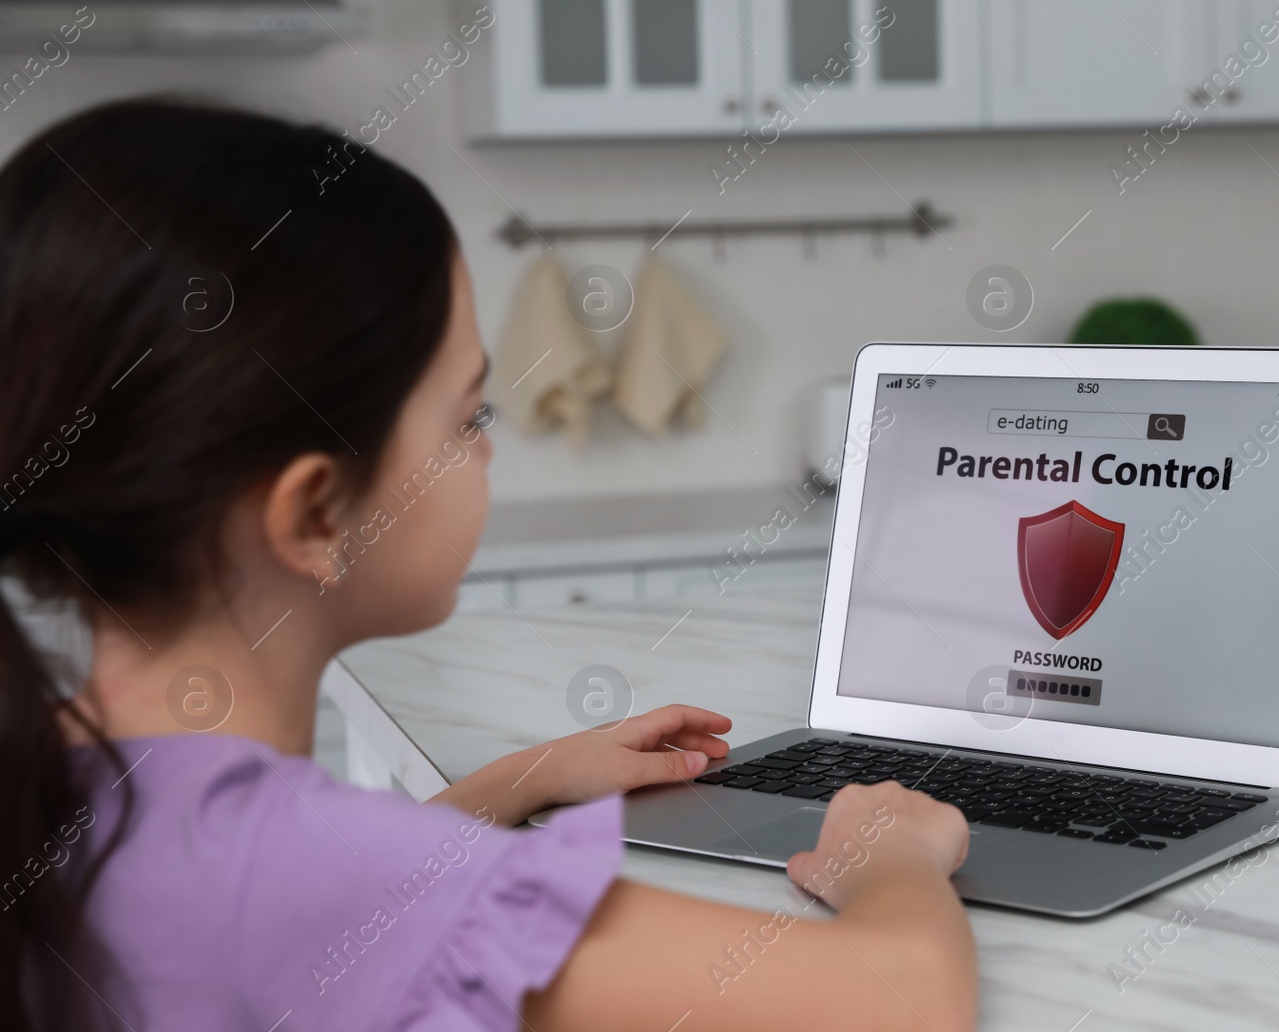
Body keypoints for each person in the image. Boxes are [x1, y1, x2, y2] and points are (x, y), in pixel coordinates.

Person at [0, 98, 977, 1032]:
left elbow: (305, 900)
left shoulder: (59, 774)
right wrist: (888, 854)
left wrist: (525, 775)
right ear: (313, 508)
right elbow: (900, 999)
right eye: (469, 416)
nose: (487, 449)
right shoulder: (293, 875)